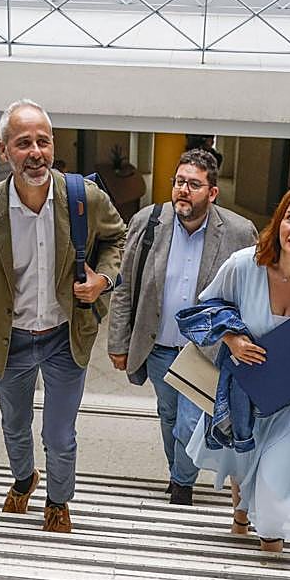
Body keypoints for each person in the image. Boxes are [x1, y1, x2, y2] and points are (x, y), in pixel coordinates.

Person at [0, 99, 127, 533]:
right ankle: (23, 479)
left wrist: (101, 280)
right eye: (23, 143)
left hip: (64, 336)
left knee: (59, 434)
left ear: (53, 145)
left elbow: (118, 240)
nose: (35, 152)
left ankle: (58, 500)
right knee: (14, 425)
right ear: (4, 151)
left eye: (43, 142)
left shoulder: (82, 198)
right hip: (10, 339)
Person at [186, 181, 290, 553]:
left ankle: (271, 544)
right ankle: (241, 514)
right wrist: (233, 340)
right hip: (248, 385)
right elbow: (206, 307)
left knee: (277, 481)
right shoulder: (244, 264)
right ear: (278, 222)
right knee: (245, 458)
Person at [107, 150, 257, 505]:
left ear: (212, 192)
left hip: (205, 351)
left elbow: (251, 294)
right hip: (158, 346)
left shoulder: (238, 232)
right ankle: (179, 477)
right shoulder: (148, 222)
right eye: (179, 182)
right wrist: (118, 340)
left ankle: (181, 488)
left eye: (193, 184)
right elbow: (125, 284)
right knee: (169, 415)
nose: (183, 191)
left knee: (191, 423)